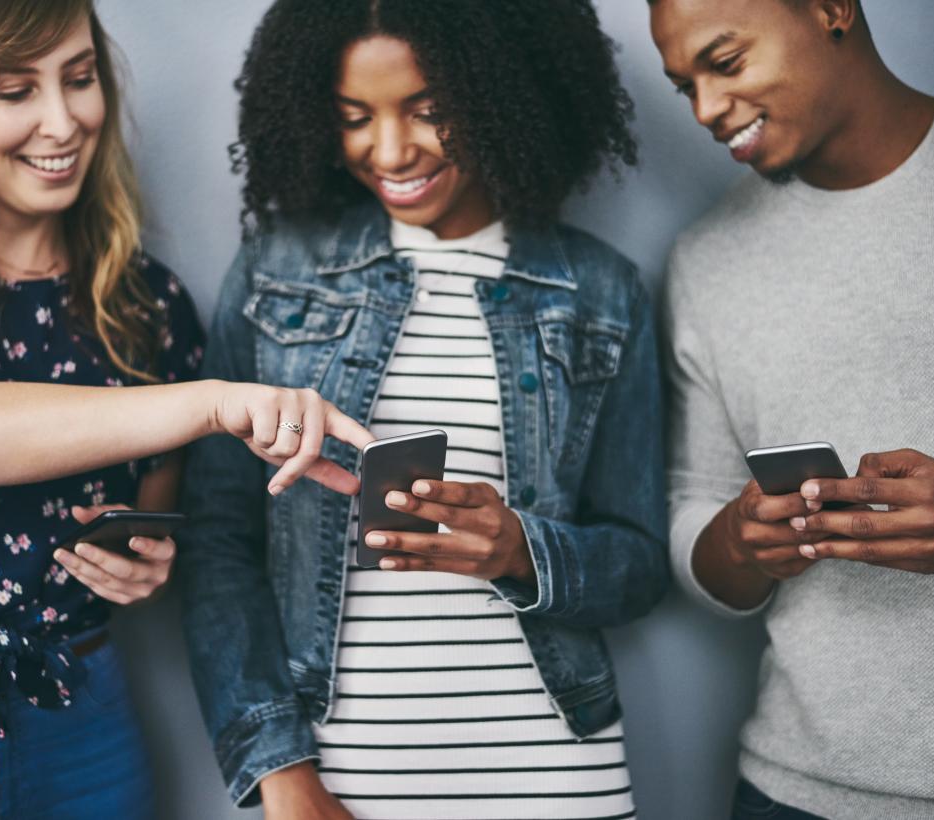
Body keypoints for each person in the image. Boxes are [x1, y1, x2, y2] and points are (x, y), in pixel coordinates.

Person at [0, 0, 369, 816]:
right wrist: (214, 403)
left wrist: (141, 568)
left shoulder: (151, 304)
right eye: (14, 90)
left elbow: (146, 527)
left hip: (81, 723)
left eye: (79, 79)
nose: (63, 120)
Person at [178, 1, 669, 817]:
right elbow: (217, 544)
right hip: (341, 781)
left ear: (504, 91)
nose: (392, 149)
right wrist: (280, 774)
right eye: (353, 118)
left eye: (430, 110)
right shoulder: (277, 276)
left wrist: (520, 550)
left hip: (554, 776)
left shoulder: (601, 292)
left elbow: (641, 563)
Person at [648, 0, 934, 817]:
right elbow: (690, 522)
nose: (706, 110)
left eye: (727, 63)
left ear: (828, 9)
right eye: (684, 88)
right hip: (791, 793)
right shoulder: (707, 260)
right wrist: (741, 542)